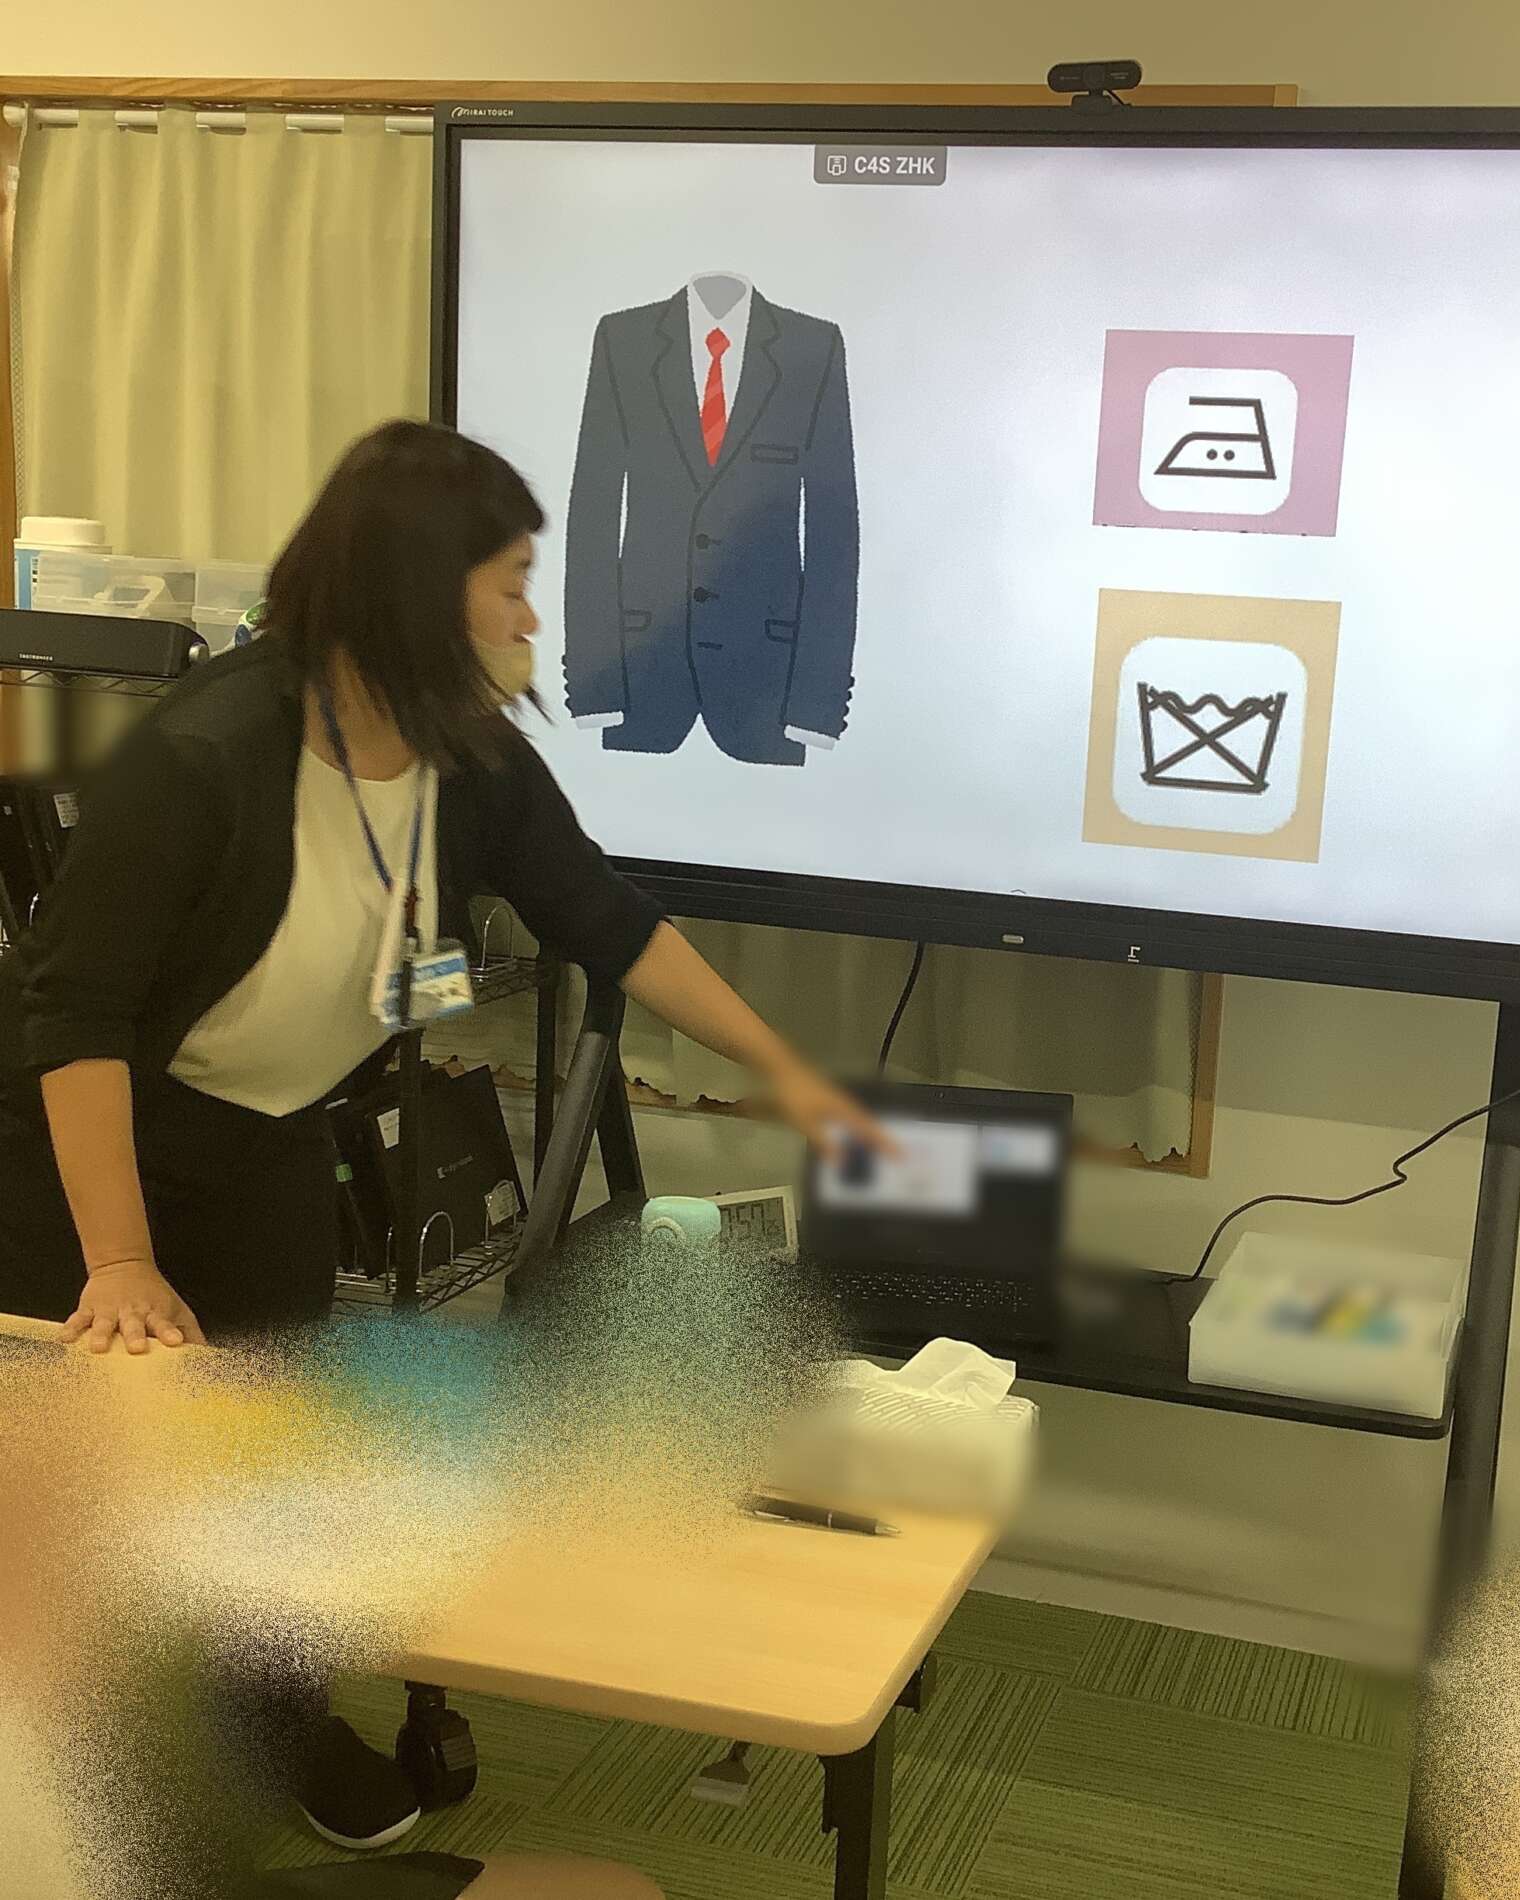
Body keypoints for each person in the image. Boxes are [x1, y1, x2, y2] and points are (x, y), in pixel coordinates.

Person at [0, 419, 880, 1851]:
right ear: (419, 589)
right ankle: (59, 1777)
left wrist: (787, 1071)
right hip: (75, 1157)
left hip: (268, 1139)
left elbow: (609, 923)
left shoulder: (471, 762)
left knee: (267, 1470)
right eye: (513, 580)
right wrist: (117, 1261)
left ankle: (269, 1722)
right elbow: (76, 1012)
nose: (533, 616)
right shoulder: (205, 754)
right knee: (77, 1480)